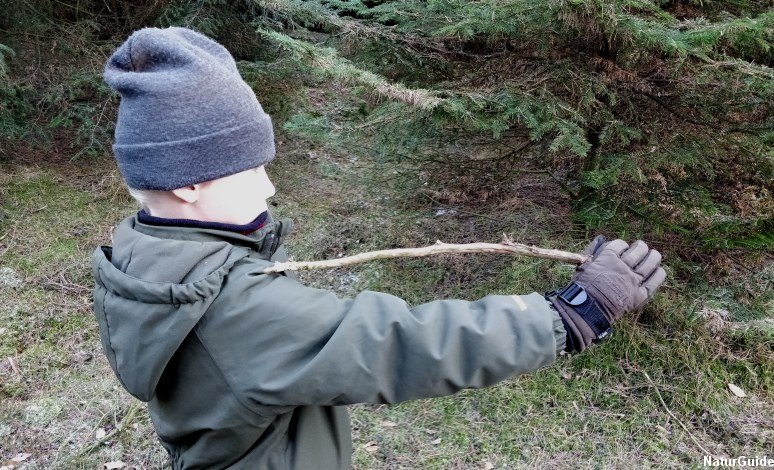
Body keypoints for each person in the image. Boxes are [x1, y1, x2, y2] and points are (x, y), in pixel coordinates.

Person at [91, 27, 666, 469]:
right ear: (190, 184)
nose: (269, 185)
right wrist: (572, 314)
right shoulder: (239, 311)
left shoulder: (142, 255)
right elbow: (404, 343)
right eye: (251, 168)